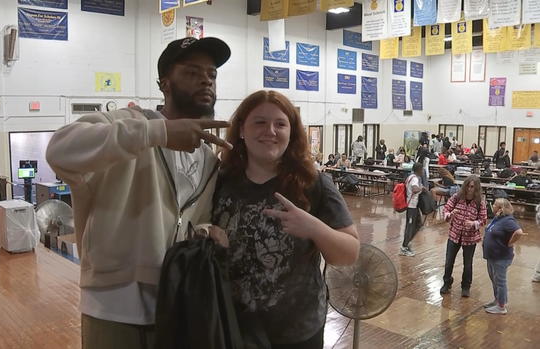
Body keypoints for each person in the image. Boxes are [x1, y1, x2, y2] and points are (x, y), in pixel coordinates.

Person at [46, 37, 232, 348]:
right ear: (165, 84)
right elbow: (59, 149)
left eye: (212, 74)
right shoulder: (131, 123)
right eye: (191, 71)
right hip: (113, 306)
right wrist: (157, 133)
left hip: (176, 307)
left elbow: (192, 220)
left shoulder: (209, 158)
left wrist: (206, 231)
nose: (205, 79)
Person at [212, 90, 359, 348]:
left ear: (291, 133)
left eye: (280, 124)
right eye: (259, 122)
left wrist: (314, 228)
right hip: (231, 326)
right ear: (242, 130)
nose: (270, 130)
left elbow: (349, 253)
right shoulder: (220, 181)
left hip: (297, 333)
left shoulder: (314, 184)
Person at [440, 175, 487, 297]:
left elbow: (483, 220)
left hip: (470, 238)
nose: (470, 189)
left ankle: (466, 286)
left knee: (468, 264)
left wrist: (473, 223)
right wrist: (450, 214)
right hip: (454, 235)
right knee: (449, 261)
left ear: (476, 188)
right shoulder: (456, 197)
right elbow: (445, 210)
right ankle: (447, 282)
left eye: (472, 187)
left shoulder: (479, 203)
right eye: (468, 186)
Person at [482, 199, 526, 314]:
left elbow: (519, 232)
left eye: (495, 204)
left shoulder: (508, 220)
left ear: (501, 208)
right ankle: (497, 300)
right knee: (494, 280)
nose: (492, 206)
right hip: (492, 256)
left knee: (500, 281)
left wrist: (511, 243)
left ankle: (501, 307)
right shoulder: (498, 218)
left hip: (501, 257)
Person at [400, 162, 426, 257]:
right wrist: (421, 188)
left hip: (414, 206)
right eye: (422, 169)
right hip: (411, 206)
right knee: (410, 227)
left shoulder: (410, 177)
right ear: (419, 170)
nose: (423, 171)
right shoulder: (414, 179)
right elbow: (415, 190)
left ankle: (407, 242)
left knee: (419, 224)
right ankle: (404, 247)